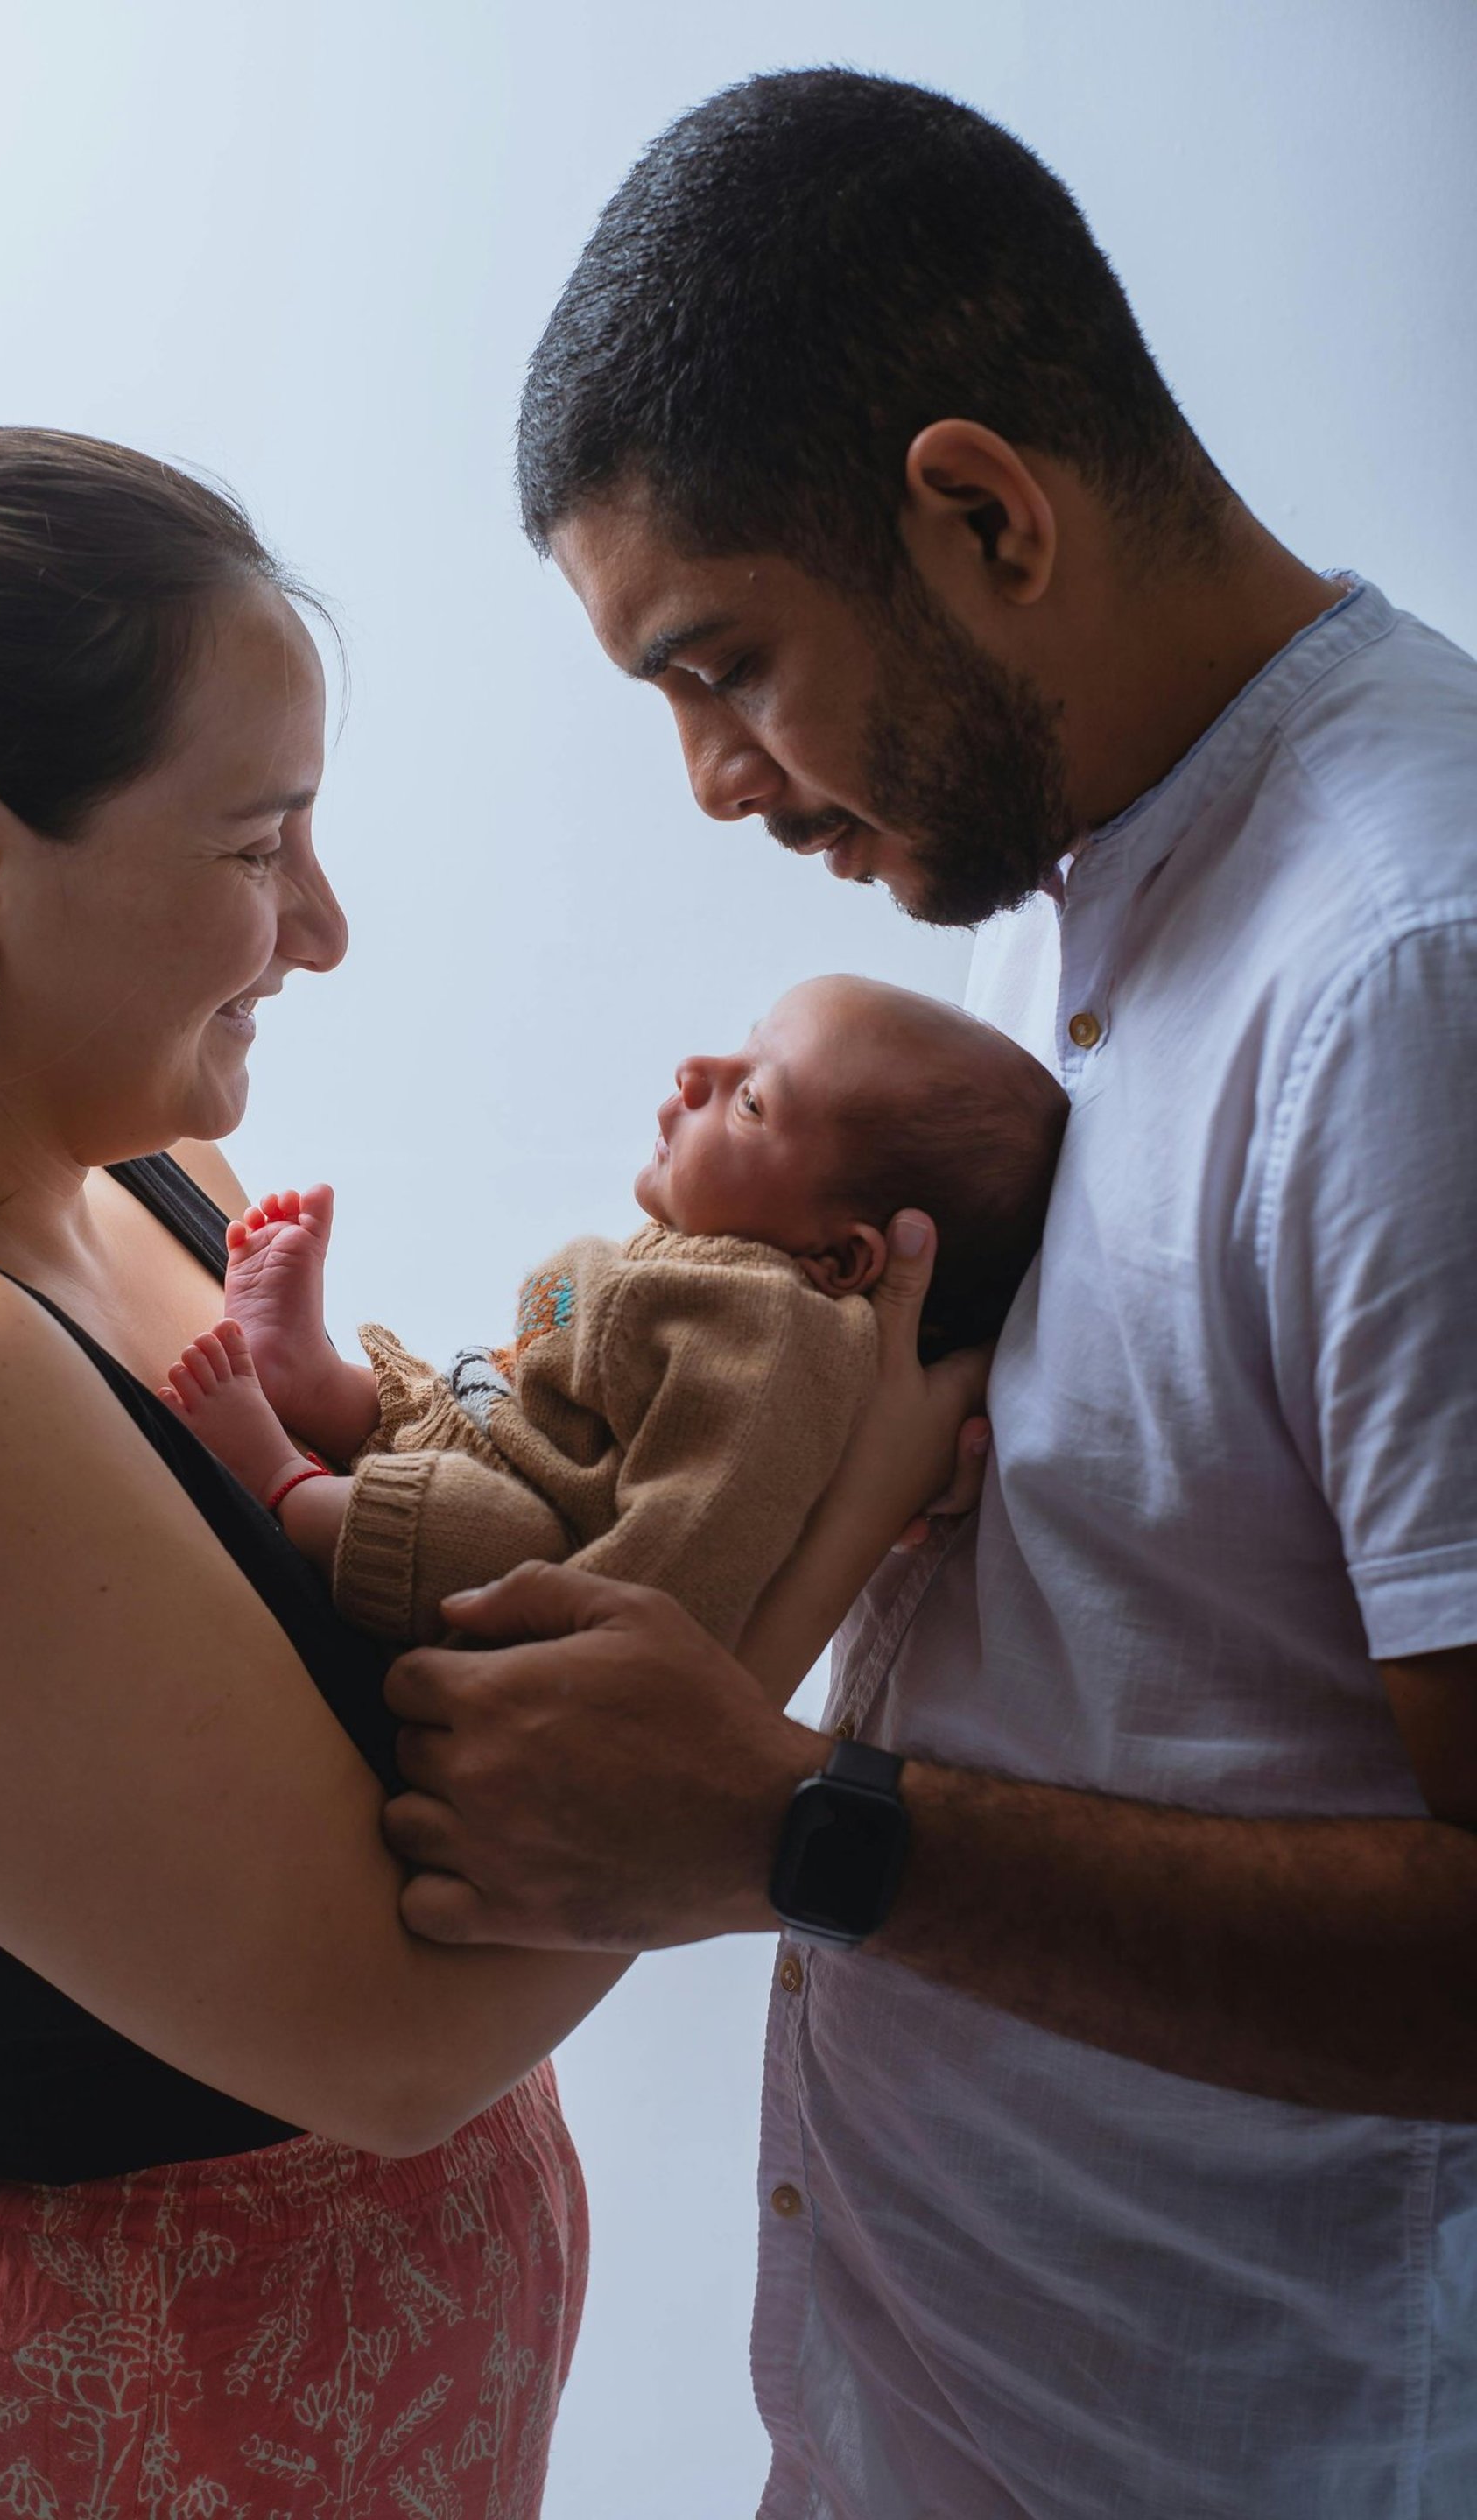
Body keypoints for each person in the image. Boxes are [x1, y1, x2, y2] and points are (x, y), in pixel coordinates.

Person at [378, 68, 1477, 2520]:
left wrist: (805, 1831)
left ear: (984, 512)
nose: (711, 784)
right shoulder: (1063, 898)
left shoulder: (1411, 974)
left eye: (723, 664)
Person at [0, 424, 982, 2516]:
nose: (322, 930)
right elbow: (392, 2043)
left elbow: (460, 1632)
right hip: (110, 2448)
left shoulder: (151, 1181)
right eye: (259, 845)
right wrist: (846, 1511)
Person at [160, 975, 1063, 1646]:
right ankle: (317, 1384)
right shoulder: (709, 1261)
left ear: (841, 1257)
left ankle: (285, 1480)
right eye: (742, 1045)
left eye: (752, 1100)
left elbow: (691, 1549)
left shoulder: (781, 1341)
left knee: (494, 1529)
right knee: (478, 1411)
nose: (698, 1069)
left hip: (525, 1567)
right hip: (508, 1437)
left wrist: (588, 1658)